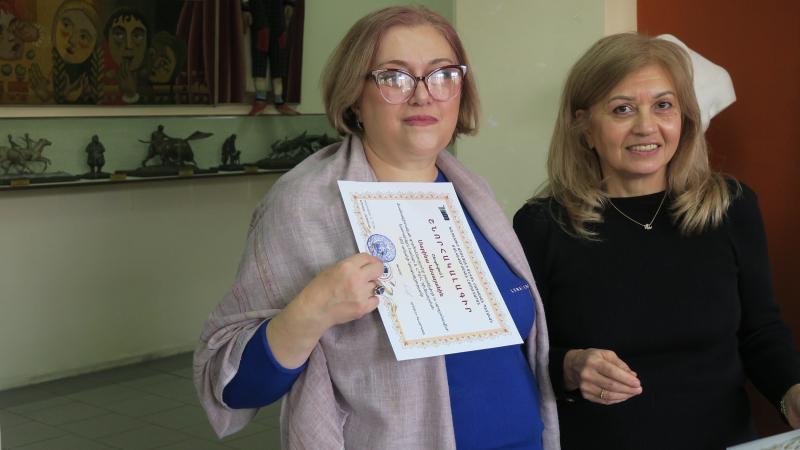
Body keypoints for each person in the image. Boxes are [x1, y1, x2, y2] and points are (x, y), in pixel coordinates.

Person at [195, 6, 559, 449]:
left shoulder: (471, 193)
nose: (423, 96)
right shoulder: (306, 205)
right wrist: (312, 310)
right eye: (394, 77)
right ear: (354, 96)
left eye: (442, 74)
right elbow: (231, 387)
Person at [513, 32, 800, 449]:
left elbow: (761, 332)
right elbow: (517, 352)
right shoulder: (540, 225)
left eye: (663, 105)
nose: (646, 126)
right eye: (622, 109)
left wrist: (791, 390)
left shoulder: (731, 206)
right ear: (584, 126)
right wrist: (569, 367)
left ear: (685, 118)